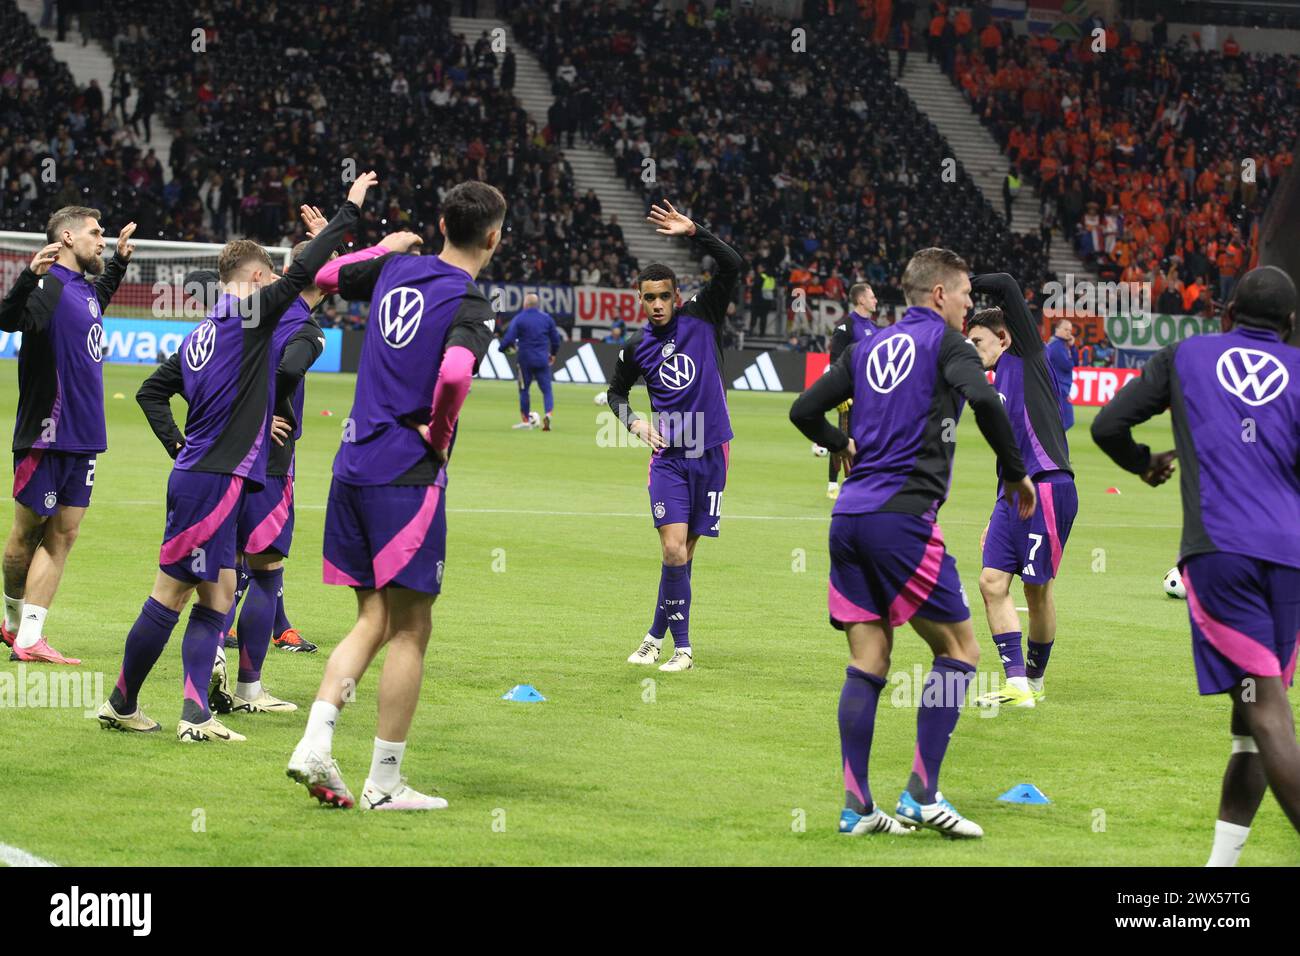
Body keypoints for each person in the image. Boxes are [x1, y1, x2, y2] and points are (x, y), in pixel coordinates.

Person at [97, 176, 372, 741]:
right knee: (170, 592)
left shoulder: (205, 330)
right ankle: (125, 703)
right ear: (253, 279)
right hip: (212, 478)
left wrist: (180, 444)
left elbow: (153, 389)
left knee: (219, 594)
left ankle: (194, 711)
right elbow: (302, 275)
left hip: (206, 472)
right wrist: (348, 213)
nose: (278, 286)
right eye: (269, 278)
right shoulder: (249, 320)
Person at [789, 248, 1035, 838]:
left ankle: (855, 808)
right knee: (961, 652)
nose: (971, 306)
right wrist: (1014, 469)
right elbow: (982, 400)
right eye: (967, 296)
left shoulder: (866, 347)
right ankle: (923, 794)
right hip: (901, 521)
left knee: (869, 660)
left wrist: (839, 444)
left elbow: (804, 410)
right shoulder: (947, 346)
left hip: (848, 519)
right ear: (940, 295)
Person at [286, 181, 501, 811]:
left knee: (372, 619)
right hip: (406, 474)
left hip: (351, 464)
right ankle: (384, 782)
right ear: (493, 237)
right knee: (411, 628)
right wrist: (437, 432)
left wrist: (382, 245)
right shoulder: (471, 300)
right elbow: (456, 372)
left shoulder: (395, 269)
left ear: (439, 222)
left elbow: (324, 272)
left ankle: (315, 741)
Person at [1092, 266, 1300, 864]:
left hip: (1219, 554)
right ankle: (1220, 871)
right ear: (1290, 325)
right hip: (1288, 560)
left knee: (1266, 715)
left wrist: (1142, 463)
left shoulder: (1185, 355)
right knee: (1256, 715)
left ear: (1228, 313)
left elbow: (1109, 425)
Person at [608, 201, 743, 673]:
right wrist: (634, 423)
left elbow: (733, 264)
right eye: (650, 298)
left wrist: (694, 231)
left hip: (711, 450)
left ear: (677, 295)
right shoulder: (636, 349)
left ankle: (653, 636)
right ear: (641, 300)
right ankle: (682, 649)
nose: (658, 304)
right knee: (671, 549)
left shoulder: (704, 316)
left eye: (665, 295)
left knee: (683, 555)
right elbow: (615, 394)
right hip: (669, 454)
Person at [0, 207, 136, 664]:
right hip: (47, 433)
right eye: (96, 233)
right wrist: (24, 279)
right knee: (26, 533)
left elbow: (98, 299)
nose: (102, 238)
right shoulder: (48, 287)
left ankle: (30, 638)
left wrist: (118, 261)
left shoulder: (85, 290)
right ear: (66, 236)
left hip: (85, 435)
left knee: (64, 535)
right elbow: (7, 319)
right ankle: (14, 622)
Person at [964, 274, 1078, 709]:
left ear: (1005, 338)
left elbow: (1008, 285)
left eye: (978, 341)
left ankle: (1033, 679)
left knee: (1036, 590)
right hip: (1012, 496)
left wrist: (958, 284)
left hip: (1049, 487)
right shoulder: (995, 385)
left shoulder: (1029, 355)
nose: (972, 348)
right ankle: (1016, 684)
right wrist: (995, 513)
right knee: (991, 582)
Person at [824, 282, 878, 499]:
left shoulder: (874, 328)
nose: (875, 300)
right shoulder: (846, 326)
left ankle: (854, 481)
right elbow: (834, 360)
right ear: (861, 300)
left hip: (868, 395)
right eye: (872, 296)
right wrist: (839, 392)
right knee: (842, 437)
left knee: (864, 438)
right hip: (849, 394)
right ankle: (831, 484)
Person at [500, 292, 562, 430]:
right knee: (547, 390)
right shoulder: (546, 319)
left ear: (525, 304)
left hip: (524, 361)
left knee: (524, 390)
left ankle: (526, 421)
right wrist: (553, 354)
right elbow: (556, 340)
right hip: (542, 359)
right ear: (537, 304)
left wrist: (502, 348)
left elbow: (509, 338)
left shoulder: (519, 319)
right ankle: (548, 414)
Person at [1044, 317, 1076, 430]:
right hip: (1059, 388)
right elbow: (1068, 365)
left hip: (1058, 387)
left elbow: (1074, 363)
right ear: (1057, 329)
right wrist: (1071, 349)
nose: (1069, 333)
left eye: (1070, 330)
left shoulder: (1059, 344)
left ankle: (1055, 444)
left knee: (1061, 422)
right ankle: (1055, 445)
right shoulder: (1057, 346)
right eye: (1066, 329)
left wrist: (1072, 347)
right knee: (1067, 421)